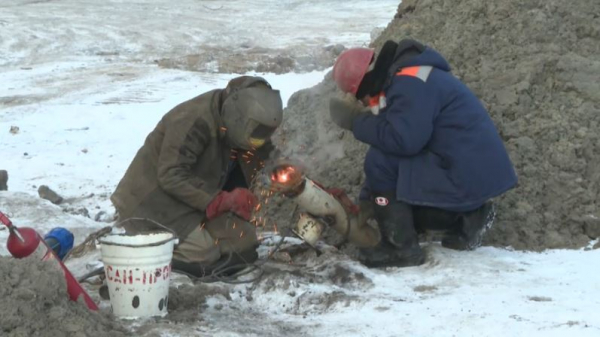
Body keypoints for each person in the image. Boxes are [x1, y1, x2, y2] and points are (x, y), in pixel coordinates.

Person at [329, 39, 518, 268]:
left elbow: (403, 142)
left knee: (380, 162)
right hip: (469, 175)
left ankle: (402, 249)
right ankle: (468, 219)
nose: (367, 104)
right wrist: (370, 200)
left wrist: (357, 122)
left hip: (464, 178)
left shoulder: (409, 83)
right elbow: (397, 143)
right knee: (392, 180)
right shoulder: (410, 75)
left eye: (362, 98)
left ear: (365, 84)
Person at [111, 76, 283, 277]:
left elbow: (264, 150)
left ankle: (191, 244)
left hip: (193, 201)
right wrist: (222, 200)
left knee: (244, 241)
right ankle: (142, 249)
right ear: (236, 116)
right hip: (152, 203)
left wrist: (284, 170)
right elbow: (171, 175)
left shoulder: (239, 120)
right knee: (203, 253)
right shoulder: (192, 120)